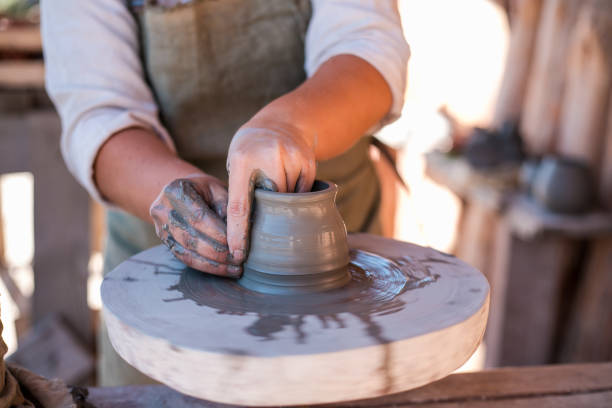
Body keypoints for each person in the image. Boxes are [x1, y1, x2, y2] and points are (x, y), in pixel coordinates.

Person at [41, 0, 409, 386]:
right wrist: (172, 193)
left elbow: (368, 43)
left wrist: (286, 126)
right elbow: (98, 111)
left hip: (333, 249)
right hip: (162, 256)